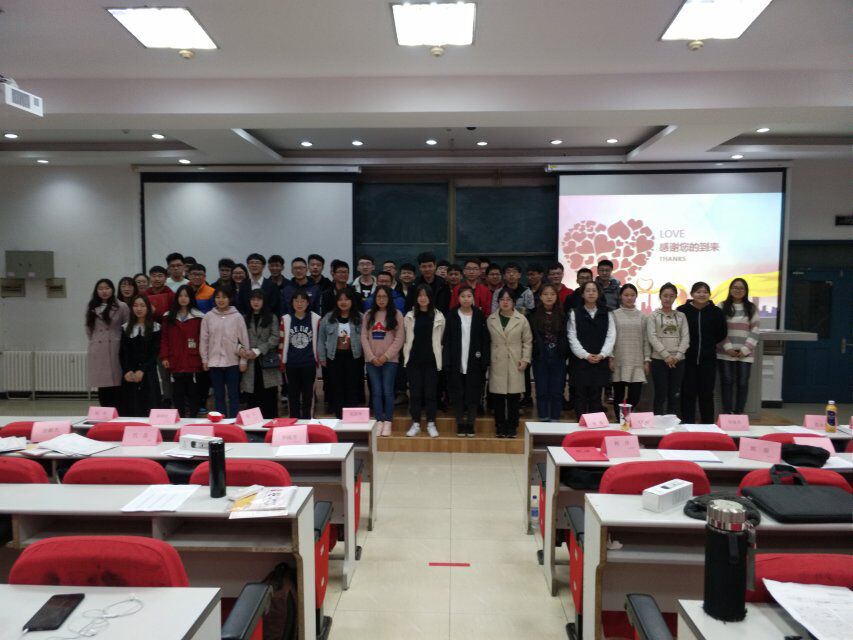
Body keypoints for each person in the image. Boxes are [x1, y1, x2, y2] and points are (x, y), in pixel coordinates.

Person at [678, 281, 727, 424]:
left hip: (708, 360)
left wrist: (709, 344)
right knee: (688, 393)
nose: (702, 294)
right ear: (692, 294)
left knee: (706, 394)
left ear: (709, 295)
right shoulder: (682, 311)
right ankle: (688, 423)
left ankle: (707, 425)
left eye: (705, 292)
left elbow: (722, 333)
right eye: (698, 292)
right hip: (687, 360)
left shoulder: (716, 312)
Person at [443, 284, 489, 436]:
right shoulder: (452, 315)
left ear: (473, 298)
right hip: (456, 361)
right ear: (458, 298)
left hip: (474, 361)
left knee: (472, 393)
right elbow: (447, 340)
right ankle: (460, 423)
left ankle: (470, 423)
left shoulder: (479, 315)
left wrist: (484, 361)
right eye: (463, 296)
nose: (466, 299)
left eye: (469, 296)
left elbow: (485, 340)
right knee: (458, 393)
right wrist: (447, 361)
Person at [487, 287, 533, 438]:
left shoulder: (522, 319)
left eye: (508, 299)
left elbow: (527, 341)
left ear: (514, 302)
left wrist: (525, 359)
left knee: (514, 397)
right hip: (497, 360)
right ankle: (500, 426)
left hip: (515, 360)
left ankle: (513, 426)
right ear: (498, 302)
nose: (505, 302)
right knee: (498, 397)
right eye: (502, 299)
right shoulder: (491, 319)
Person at [361, 285, 405, 436]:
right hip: (372, 361)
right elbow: (364, 337)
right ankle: (379, 420)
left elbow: (399, 339)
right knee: (376, 392)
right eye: (378, 297)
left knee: (388, 391)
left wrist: (386, 356)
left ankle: (388, 422)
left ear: (389, 298)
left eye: (384, 297)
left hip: (390, 361)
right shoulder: (368, 315)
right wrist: (372, 357)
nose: (381, 300)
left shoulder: (397, 314)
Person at [568, 281, 615, 417]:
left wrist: (602, 354)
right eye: (587, 290)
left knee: (596, 396)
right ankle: (581, 425)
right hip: (580, 361)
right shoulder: (575, 312)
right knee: (580, 395)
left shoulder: (607, 313)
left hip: (600, 360)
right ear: (582, 294)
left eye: (594, 290)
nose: (591, 293)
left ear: (599, 294)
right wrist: (585, 355)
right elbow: (572, 336)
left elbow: (611, 336)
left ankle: (594, 427)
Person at [200, 286, 249, 418]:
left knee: (233, 395)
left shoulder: (237, 317)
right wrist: (204, 359)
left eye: (224, 297)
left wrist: (244, 360)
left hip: (232, 362)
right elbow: (204, 340)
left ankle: (233, 421)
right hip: (214, 363)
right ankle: (221, 422)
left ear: (230, 299)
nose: (221, 300)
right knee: (218, 395)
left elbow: (244, 339)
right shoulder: (208, 317)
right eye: (218, 297)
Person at [403, 284, 445, 438]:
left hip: (431, 361)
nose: (422, 298)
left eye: (425, 295)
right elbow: (406, 337)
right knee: (415, 394)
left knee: (430, 394)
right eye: (420, 295)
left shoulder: (439, 316)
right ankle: (415, 424)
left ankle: (431, 423)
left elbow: (441, 338)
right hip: (413, 360)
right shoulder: (409, 316)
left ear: (430, 297)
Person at [318, 288, 365, 419]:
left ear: (352, 301)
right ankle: (339, 417)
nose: (343, 302)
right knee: (336, 387)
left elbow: (365, 338)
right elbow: (321, 339)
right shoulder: (328, 317)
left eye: (347, 299)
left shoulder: (360, 317)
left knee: (352, 387)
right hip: (334, 357)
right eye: (340, 299)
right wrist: (322, 357)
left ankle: (351, 419)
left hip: (354, 357)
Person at [160, 285, 204, 418]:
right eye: (180, 296)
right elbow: (164, 338)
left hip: (193, 361)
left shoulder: (199, 317)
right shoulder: (168, 316)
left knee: (194, 394)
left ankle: (193, 419)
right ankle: (181, 420)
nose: (183, 298)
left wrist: (204, 359)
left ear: (191, 298)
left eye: (186, 296)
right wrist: (165, 357)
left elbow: (203, 339)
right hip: (175, 360)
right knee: (177, 394)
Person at [717, 278, 760, 415]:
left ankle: (739, 414)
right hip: (725, 352)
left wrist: (745, 349)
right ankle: (727, 413)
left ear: (746, 291)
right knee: (727, 382)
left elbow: (755, 330)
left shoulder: (751, 308)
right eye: (735, 287)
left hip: (745, 353)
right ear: (730, 289)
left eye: (741, 288)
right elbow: (718, 329)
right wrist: (728, 348)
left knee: (742, 383)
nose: (738, 290)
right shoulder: (721, 306)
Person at [609, 284, 651, 423]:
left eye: (632, 295)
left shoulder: (643, 316)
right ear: (620, 296)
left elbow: (646, 339)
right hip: (619, 359)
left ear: (636, 296)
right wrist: (611, 357)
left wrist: (646, 359)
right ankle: (620, 422)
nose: (629, 298)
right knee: (618, 396)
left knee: (635, 397)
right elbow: (610, 338)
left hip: (637, 360)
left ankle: (627, 420)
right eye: (626, 295)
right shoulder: (614, 315)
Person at [647, 282, 690, 416]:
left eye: (671, 296)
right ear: (660, 296)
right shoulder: (653, 316)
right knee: (660, 393)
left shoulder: (681, 316)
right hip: (659, 360)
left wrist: (677, 356)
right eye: (665, 295)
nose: (668, 298)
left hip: (678, 361)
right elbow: (652, 337)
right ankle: (658, 422)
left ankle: (673, 423)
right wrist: (666, 356)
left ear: (675, 297)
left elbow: (686, 337)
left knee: (674, 394)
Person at [86, 278, 129, 408]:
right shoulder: (92, 306)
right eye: (101, 289)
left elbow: (127, 327)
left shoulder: (121, 306)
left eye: (107, 288)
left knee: (117, 384)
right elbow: (89, 329)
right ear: (96, 291)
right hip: (99, 349)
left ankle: (119, 412)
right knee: (102, 385)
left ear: (112, 289)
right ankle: (105, 412)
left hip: (116, 347)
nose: (104, 291)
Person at [530, 284, 568, 422]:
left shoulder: (563, 315)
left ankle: (555, 417)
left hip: (558, 356)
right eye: (545, 294)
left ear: (557, 296)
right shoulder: (532, 314)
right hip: (540, 355)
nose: (549, 297)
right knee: (541, 389)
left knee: (557, 389)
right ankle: (543, 417)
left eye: (552, 294)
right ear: (540, 296)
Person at [280, 290, 321, 419]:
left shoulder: (315, 319)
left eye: (302, 301)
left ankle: (308, 421)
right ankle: (294, 421)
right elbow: (281, 343)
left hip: (309, 363)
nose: (299, 304)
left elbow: (319, 342)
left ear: (308, 303)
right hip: (291, 364)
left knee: (308, 396)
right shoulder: (286, 319)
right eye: (296, 301)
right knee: (293, 396)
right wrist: (282, 361)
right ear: (292, 303)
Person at [240, 290, 280, 419]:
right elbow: (238, 338)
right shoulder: (244, 318)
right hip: (250, 362)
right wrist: (242, 350)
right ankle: (254, 427)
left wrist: (258, 351)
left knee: (269, 396)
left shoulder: (272, 317)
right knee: (252, 397)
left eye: (259, 299)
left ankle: (271, 425)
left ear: (264, 301)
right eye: (253, 299)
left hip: (267, 361)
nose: (256, 302)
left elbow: (275, 338)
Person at [119, 295, 161, 416]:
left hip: (148, 373)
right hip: (130, 374)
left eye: (142, 306)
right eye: (136, 306)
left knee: (149, 407)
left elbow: (154, 353)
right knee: (131, 408)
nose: (139, 309)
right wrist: (127, 371)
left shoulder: (156, 327)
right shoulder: (126, 327)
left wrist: (142, 370)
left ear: (148, 308)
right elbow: (122, 353)